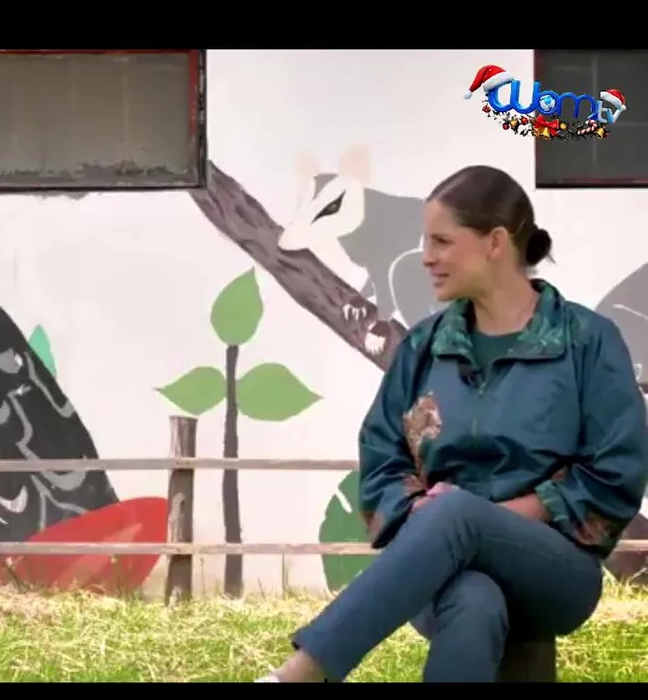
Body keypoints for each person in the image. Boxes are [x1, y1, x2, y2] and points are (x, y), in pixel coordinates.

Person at [256, 165, 648, 683]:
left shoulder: (586, 340)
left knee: (457, 515)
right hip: (439, 569)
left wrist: (486, 517)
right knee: (473, 600)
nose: (426, 256)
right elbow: (382, 457)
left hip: (556, 568)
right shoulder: (422, 347)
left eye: (441, 241)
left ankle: (302, 673)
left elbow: (617, 470)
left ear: (495, 243)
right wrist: (425, 513)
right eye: (425, 241)